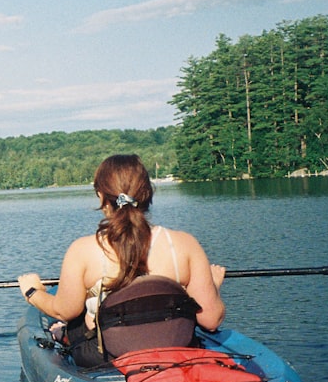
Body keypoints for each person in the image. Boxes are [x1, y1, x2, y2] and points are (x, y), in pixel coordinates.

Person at [18, 154, 226, 367]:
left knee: (75, 321)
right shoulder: (185, 244)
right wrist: (213, 287)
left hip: (106, 356)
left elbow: (64, 310)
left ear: (101, 197)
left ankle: (61, 333)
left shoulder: (83, 249)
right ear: (148, 194)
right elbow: (210, 321)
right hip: (175, 348)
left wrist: (33, 292)